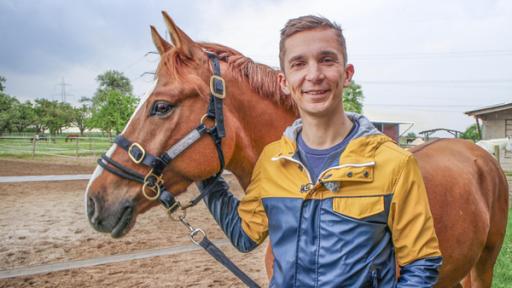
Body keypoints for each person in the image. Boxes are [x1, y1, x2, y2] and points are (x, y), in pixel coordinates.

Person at [198, 15, 442, 287]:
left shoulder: (394, 163)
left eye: (327, 60)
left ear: (347, 74)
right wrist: (204, 177)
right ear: (284, 81)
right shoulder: (272, 161)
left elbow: (421, 263)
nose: (314, 75)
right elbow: (244, 235)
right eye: (299, 64)